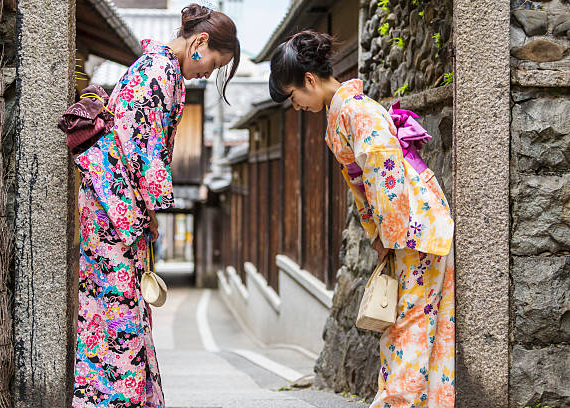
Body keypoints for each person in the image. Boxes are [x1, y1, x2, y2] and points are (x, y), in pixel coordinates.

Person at [269, 30, 455, 408]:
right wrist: (380, 233)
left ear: (308, 80)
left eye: (293, 97)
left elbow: (384, 176)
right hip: (409, 225)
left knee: (410, 325)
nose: (296, 106)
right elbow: (370, 181)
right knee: (416, 323)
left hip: (411, 226)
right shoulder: (347, 111)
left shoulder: (356, 111)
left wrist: (387, 233)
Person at [71, 4, 240, 407]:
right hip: (115, 204)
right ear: (200, 42)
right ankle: (116, 400)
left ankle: (133, 398)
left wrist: (147, 211)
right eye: (214, 64)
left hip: (111, 199)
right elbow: (141, 147)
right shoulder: (159, 71)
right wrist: (153, 206)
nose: (209, 73)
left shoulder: (157, 68)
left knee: (118, 302)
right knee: (116, 307)